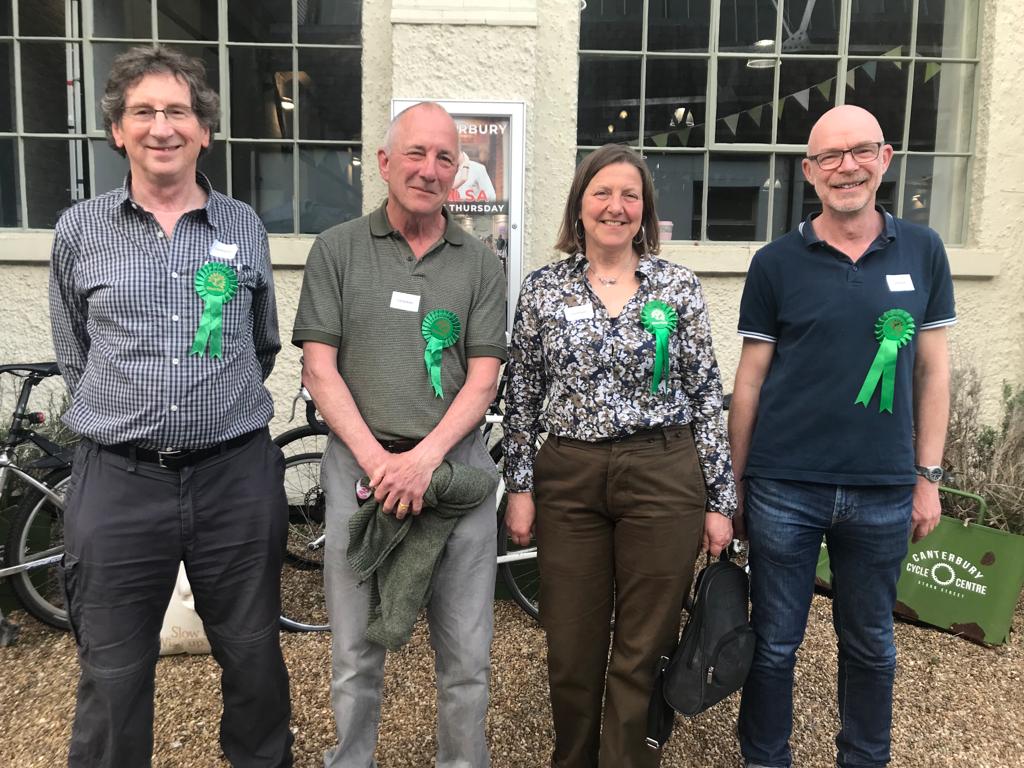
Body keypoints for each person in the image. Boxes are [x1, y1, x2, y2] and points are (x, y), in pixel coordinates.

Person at [48, 46, 292, 767]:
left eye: (178, 111)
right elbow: (76, 354)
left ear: (205, 130)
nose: (163, 127)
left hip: (234, 477)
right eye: (143, 112)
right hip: (119, 482)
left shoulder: (243, 226)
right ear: (117, 130)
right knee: (114, 670)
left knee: (252, 658)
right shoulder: (79, 231)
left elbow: (263, 342)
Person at [729, 105, 955, 768]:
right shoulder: (774, 263)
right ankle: (764, 758)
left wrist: (928, 478)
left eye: (859, 151)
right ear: (808, 171)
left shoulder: (924, 251)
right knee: (773, 643)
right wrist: (734, 486)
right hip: (782, 487)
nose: (845, 166)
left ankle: (865, 758)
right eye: (829, 156)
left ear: (885, 158)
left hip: (884, 489)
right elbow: (749, 383)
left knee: (871, 644)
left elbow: (934, 371)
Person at [502, 144, 736, 768]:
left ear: (646, 210)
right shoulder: (543, 290)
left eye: (630, 195)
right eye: (603, 192)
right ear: (580, 205)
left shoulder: (677, 286)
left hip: (663, 473)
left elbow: (705, 393)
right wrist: (519, 486)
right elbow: (521, 392)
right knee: (572, 648)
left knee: (642, 649)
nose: (616, 206)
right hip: (571, 476)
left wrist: (721, 500)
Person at [292, 102, 507, 768]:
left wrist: (422, 462)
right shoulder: (337, 250)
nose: (429, 168)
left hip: (454, 471)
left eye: (445, 157)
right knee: (355, 650)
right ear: (384, 162)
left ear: (457, 172)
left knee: (467, 657)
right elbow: (319, 370)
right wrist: (380, 463)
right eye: (415, 153)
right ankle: (351, 760)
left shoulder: (481, 264)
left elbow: (482, 381)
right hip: (358, 470)